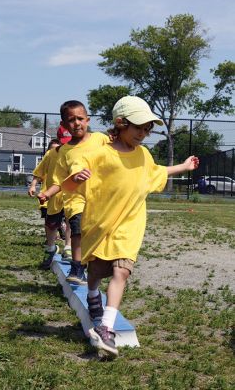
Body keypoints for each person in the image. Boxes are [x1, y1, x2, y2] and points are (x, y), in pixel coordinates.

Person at [61, 96, 199, 356]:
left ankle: (105, 328)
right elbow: (79, 162)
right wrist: (78, 173)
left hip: (130, 224)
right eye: (138, 127)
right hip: (102, 224)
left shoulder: (144, 155)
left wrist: (184, 166)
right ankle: (92, 294)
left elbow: (156, 172)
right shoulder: (100, 151)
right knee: (98, 271)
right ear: (120, 123)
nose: (143, 134)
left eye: (147, 129)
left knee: (121, 272)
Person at [38, 100, 110, 284]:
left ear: (88, 120)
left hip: (100, 197)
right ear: (64, 125)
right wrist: (47, 193)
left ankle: (97, 262)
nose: (76, 123)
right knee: (76, 229)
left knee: (96, 233)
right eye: (71, 120)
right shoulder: (64, 152)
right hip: (75, 198)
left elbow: (117, 152)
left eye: (80, 118)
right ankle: (77, 267)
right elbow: (60, 182)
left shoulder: (100, 139)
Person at [28, 139, 72, 269]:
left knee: (71, 221)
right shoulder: (51, 154)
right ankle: (51, 248)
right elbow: (39, 171)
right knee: (51, 224)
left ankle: (68, 248)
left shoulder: (74, 153)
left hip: (71, 194)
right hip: (51, 194)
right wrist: (33, 185)